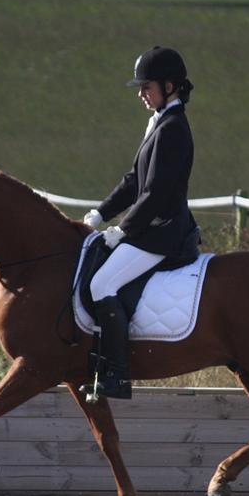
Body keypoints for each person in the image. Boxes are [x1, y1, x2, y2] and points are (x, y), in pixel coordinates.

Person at [82, 46, 199, 400]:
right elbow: (134, 180)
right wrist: (101, 213)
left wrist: (123, 231)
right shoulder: (160, 123)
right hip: (152, 228)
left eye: (146, 87)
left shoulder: (173, 128)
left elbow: (156, 194)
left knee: (101, 285)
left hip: (164, 232)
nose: (141, 94)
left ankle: (117, 375)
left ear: (170, 86)